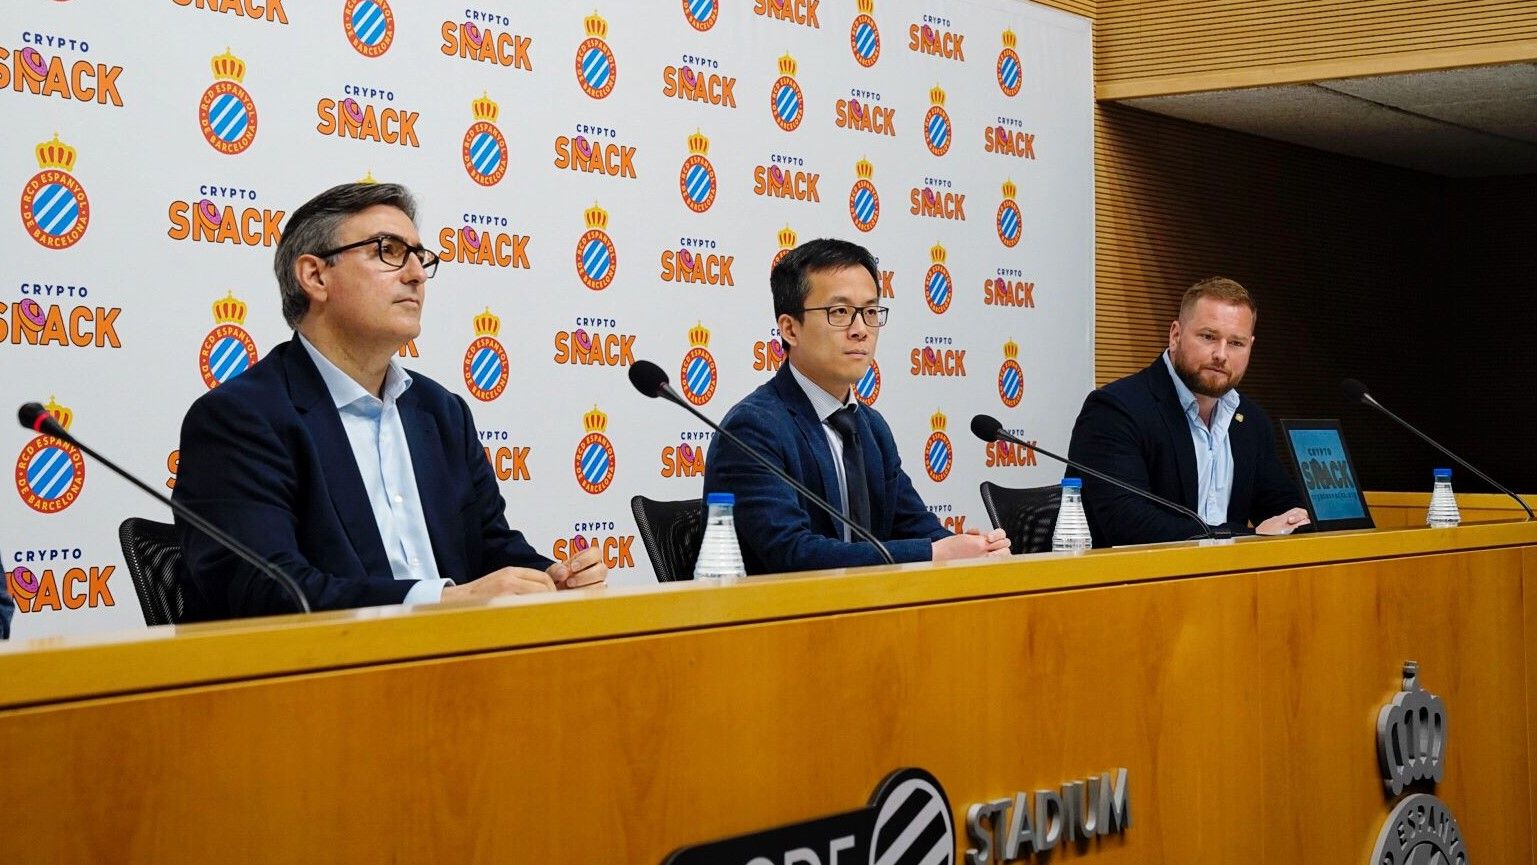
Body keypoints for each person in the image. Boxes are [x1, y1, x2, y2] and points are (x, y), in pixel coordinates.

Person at [174, 182, 606, 619]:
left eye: (420, 256)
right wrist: (439, 601)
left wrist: (551, 577)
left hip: (461, 664)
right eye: (389, 250)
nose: (416, 273)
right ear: (315, 276)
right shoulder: (242, 418)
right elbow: (267, 591)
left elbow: (490, 546)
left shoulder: (441, 412)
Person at [703, 238, 1009, 574]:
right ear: (790, 328)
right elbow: (792, 555)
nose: (861, 330)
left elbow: (916, 526)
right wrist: (934, 552)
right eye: (840, 312)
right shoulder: (753, 430)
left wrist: (974, 549)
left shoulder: (870, 426)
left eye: (871, 312)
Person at [1066, 277, 1310, 546]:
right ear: (1175, 335)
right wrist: (1247, 537)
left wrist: (1296, 522)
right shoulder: (1116, 410)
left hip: (1229, 583)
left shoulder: (1251, 421)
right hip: (1134, 582)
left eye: (1236, 343)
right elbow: (1126, 523)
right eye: (1208, 337)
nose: (1221, 354)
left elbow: (1285, 508)